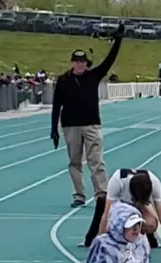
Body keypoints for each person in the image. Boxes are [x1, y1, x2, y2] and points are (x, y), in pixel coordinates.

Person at [50, 23, 123, 217]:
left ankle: (101, 193)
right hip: (70, 125)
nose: (81, 64)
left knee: (96, 161)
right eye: (77, 61)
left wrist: (118, 40)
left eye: (83, 61)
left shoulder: (93, 76)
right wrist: (54, 129)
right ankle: (79, 194)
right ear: (72, 62)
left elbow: (109, 61)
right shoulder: (63, 80)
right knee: (75, 161)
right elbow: (56, 105)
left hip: (91, 124)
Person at [85, 167, 161, 249]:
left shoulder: (154, 183)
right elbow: (106, 215)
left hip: (142, 204)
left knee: (151, 224)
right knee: (103, 203)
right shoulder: (117, 181)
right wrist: (103, 241)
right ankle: (90, 237)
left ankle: (147, 237)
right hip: (120, 203)